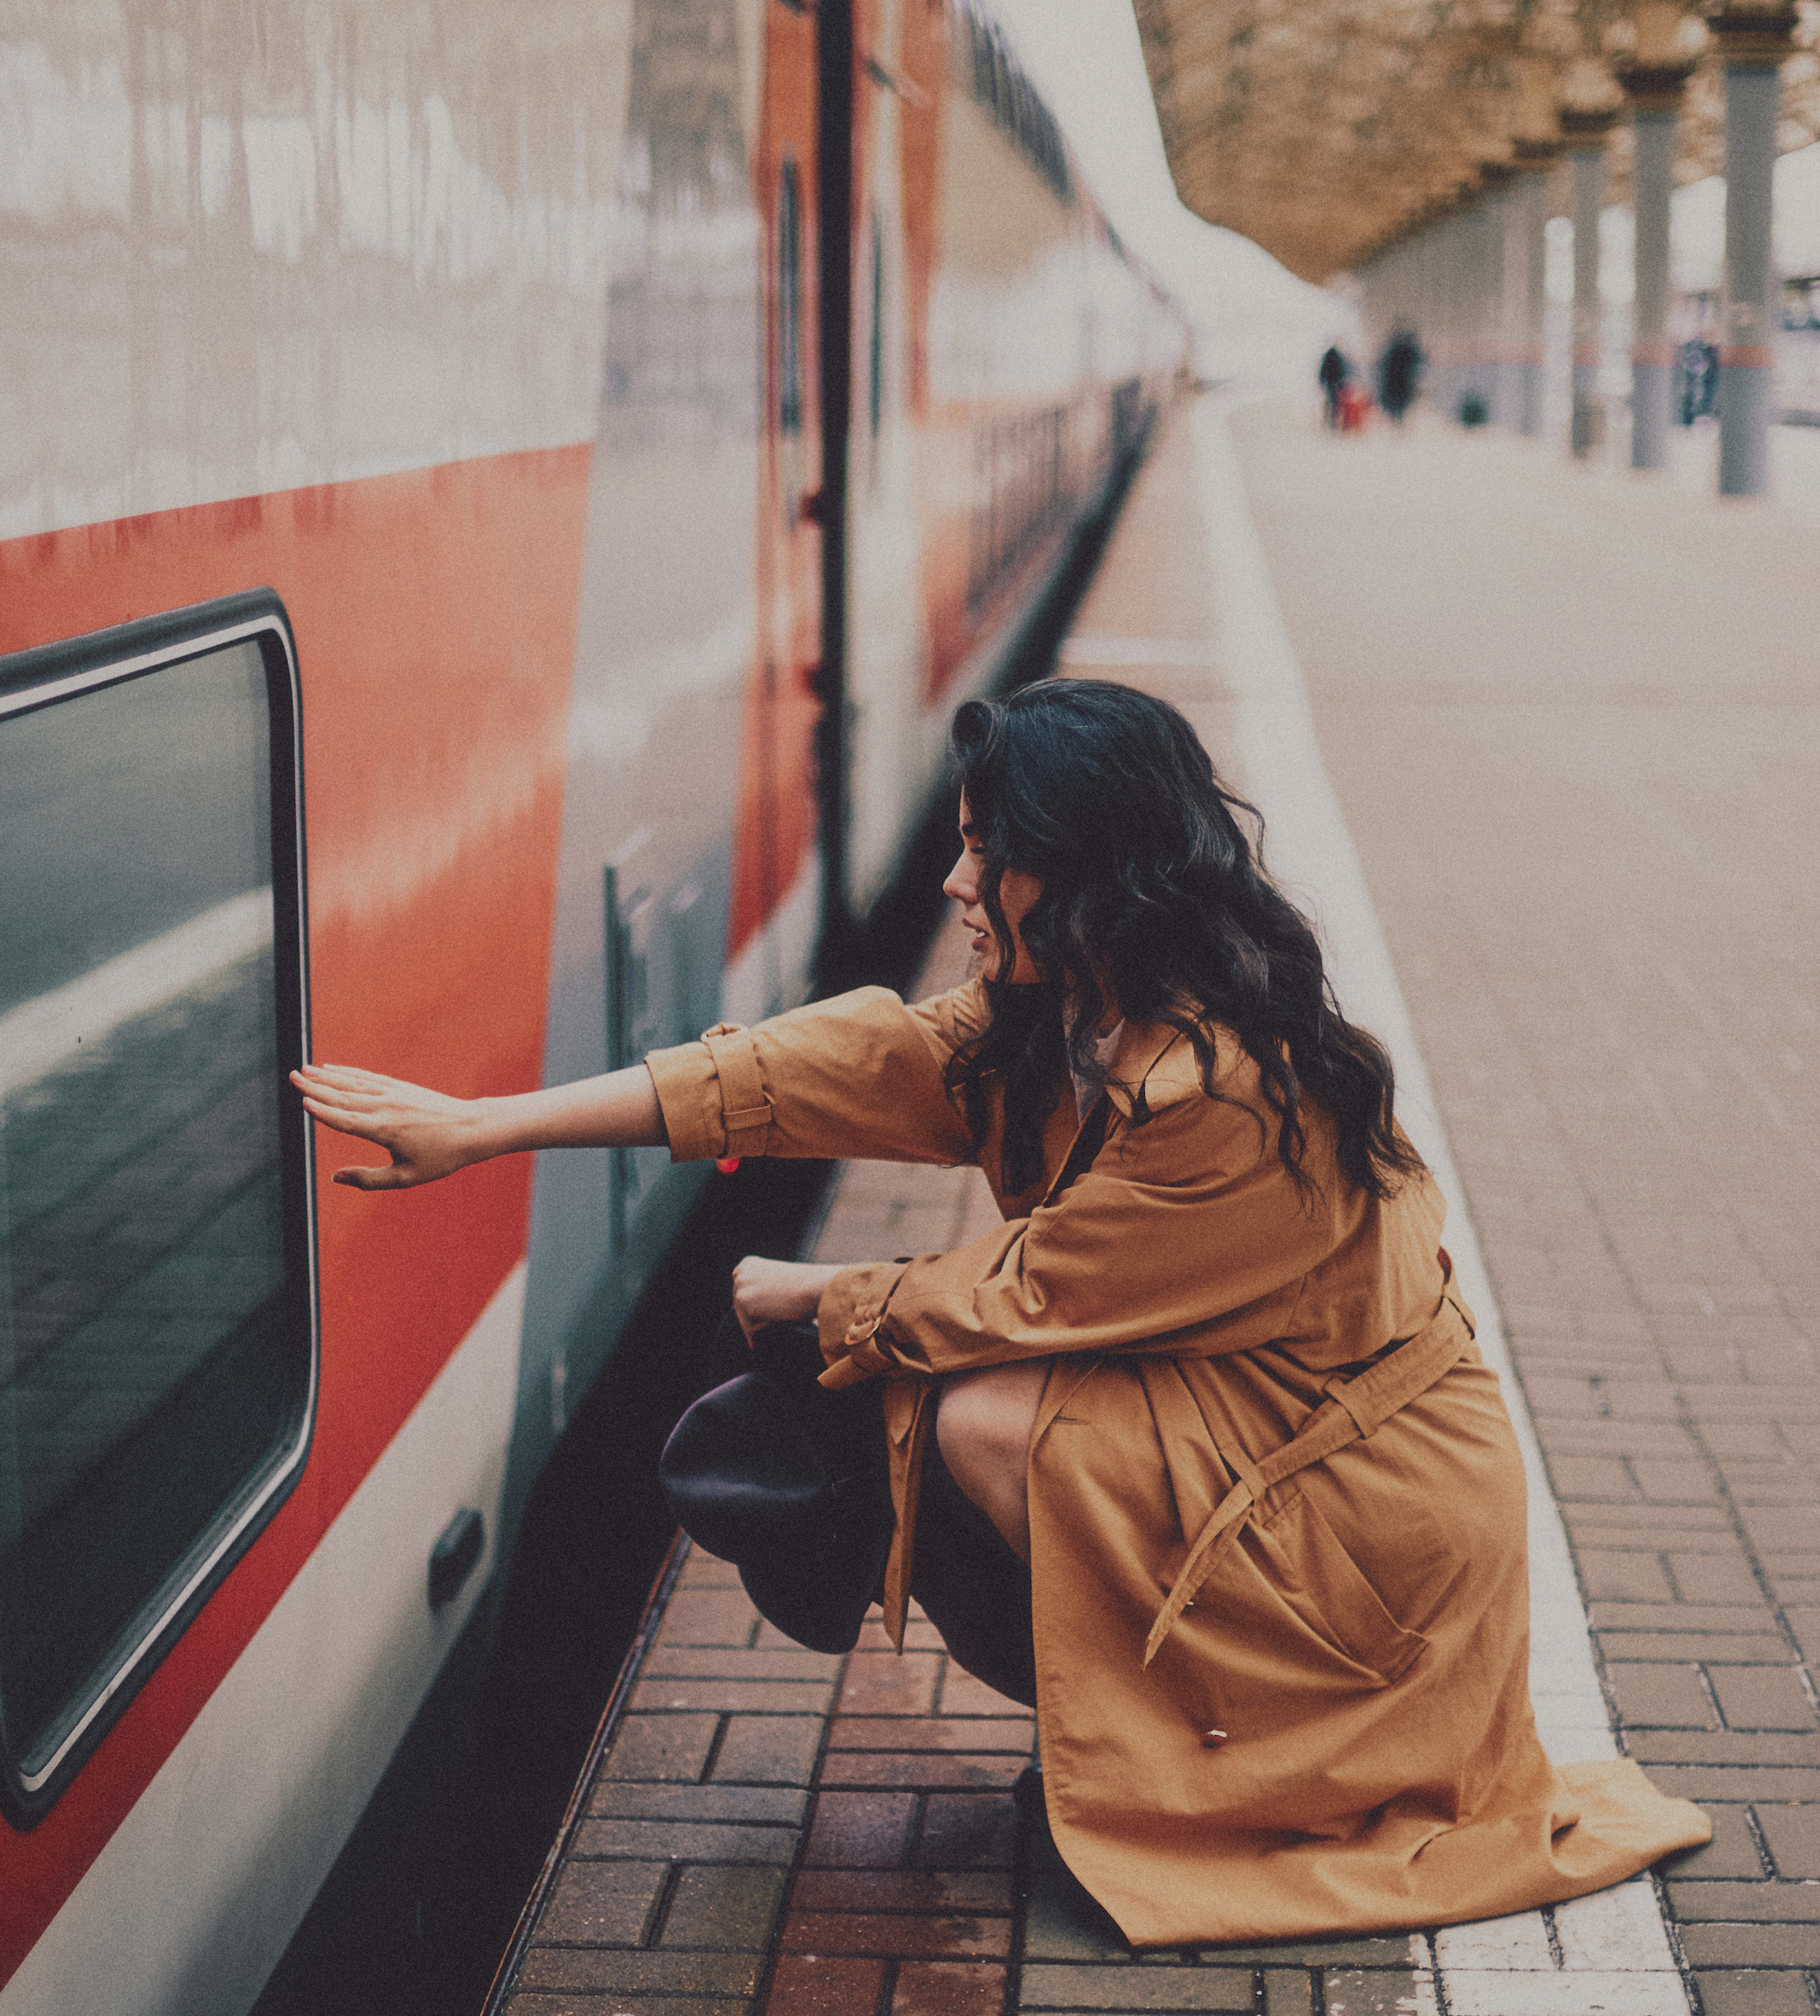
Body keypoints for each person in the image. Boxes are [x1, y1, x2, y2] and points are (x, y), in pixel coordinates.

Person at [293, 678, 1708, 1948]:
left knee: (971, 1417)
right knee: (920, 1412)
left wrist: (808, 1296)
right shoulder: (1074, 1006)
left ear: (1096, 870)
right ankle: (1175, 1738)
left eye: (993, 852)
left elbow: (1030, 1294)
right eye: (964, 845)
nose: (961, 880)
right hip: (1270, 1434)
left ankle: (1238, 1764)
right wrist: (486, 1129)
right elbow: (814, 1066)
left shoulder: (1216, 1089)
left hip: (1367, 1512)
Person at [1377, 327, 1423, 424]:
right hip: (1399, 381)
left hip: (1400, 381)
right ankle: (1398, 418)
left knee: (1400, 401)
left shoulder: (1396, 349)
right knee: (1399, 401)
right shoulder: (1403, 350)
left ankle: (1398, 418)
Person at [1317, 343, 1349, 430]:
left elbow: (1323, 371)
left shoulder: (1328, 357)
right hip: (1337, 383)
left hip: (1330, 383)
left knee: (1330, 403)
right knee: (1336, 404)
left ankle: (1328, 422)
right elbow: (1342, 371)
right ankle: (1334, 423)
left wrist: (1322, 381)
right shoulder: (1338, 357)